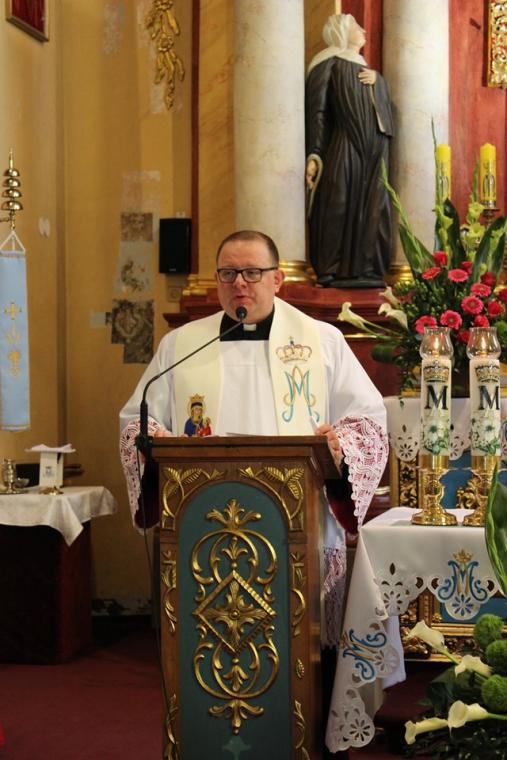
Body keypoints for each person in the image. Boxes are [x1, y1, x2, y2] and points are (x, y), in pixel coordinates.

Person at [305, 13, 394, 288]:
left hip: (376, 148)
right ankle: (330, 267)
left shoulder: (370, 71)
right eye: (356, 26)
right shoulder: (328, 63)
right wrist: (315, 152)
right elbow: (318, 111)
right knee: (338, 200)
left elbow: (385, 113)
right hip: (344, 142)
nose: (364, 30)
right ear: (341, 31)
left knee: (375, 206)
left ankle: (368, 267)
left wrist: (378, 83)